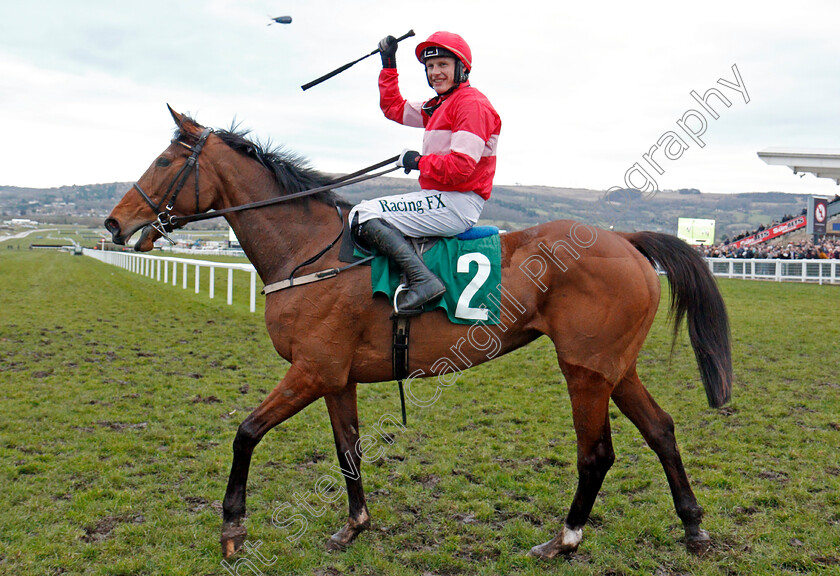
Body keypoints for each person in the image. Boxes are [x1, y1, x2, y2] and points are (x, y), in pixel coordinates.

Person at [349, 31, 502, 313]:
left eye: (442, 65)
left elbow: (460, 167)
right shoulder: (439, 105)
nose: (435, 73)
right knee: (365, 211)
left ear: (461, 68)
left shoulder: (471, 105)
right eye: (430, 67)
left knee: (363, 214)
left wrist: (418, 161)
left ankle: (423, 282)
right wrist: (388, 63)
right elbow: (393, 108)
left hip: (456, 202)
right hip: (439, 198)